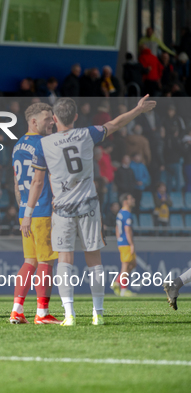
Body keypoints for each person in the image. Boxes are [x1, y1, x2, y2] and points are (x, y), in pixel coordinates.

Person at [21, 95, 156, 326]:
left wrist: (27, 213)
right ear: (75, 116)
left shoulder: (44, 145)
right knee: (94, 259)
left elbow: (37, 182)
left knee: (65, 260)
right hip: (89, 206)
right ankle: (98, 314)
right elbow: (115, 124)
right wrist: (137, 110)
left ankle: (69, 315)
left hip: (62, 209)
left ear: (54, 118)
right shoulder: (87, 134)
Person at [10, 102, 60, 324]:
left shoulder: (18, 145)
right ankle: (42, 313)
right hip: (42, 210)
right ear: (33, 121)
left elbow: (15, 181)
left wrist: (24, 209)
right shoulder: (45, 144)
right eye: (47, 118)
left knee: (29, 261)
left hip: (25, 210)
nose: (52, 121)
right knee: (46, 262)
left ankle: (17, 310)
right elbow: (47, 177)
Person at [112, 194, 137, 298]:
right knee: (125, 266)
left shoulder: (120, 213)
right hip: (126, 243)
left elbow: (117, 229)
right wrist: (131, 244)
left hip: (121, 242)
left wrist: (119, 240)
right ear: (126, 201)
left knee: (133, 264)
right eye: (131, 199)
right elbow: (127, 230)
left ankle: (117, 282)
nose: (133, 200)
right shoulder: (127, 214)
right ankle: (123, 290)